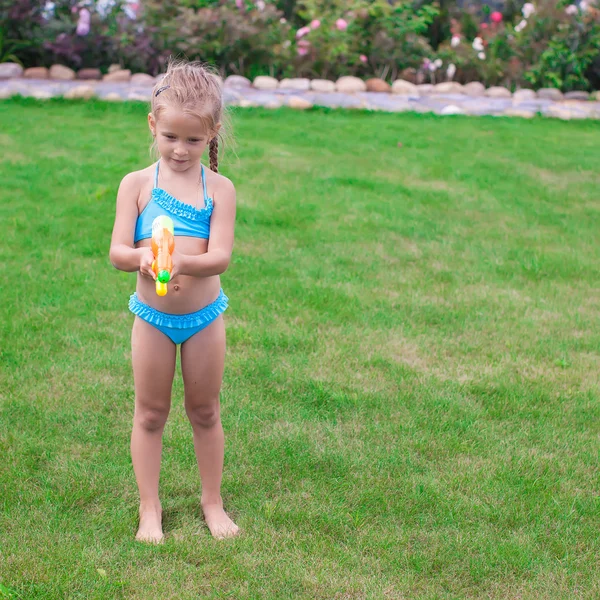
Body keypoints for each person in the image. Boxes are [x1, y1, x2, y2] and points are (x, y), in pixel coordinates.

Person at [109, 59, 239, 542]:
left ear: (212, 133)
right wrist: (142, 257)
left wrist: (181, 263)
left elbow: (220, 256)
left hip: (204, 318)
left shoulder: (219, 189)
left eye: (193, 139)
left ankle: (212, 502)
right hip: (153, 318)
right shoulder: (137, 184)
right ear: (153, 126)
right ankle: (150, 508)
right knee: (150, 412)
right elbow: (118, 251)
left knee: (205, 411)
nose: (180, 150)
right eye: (170, 137)